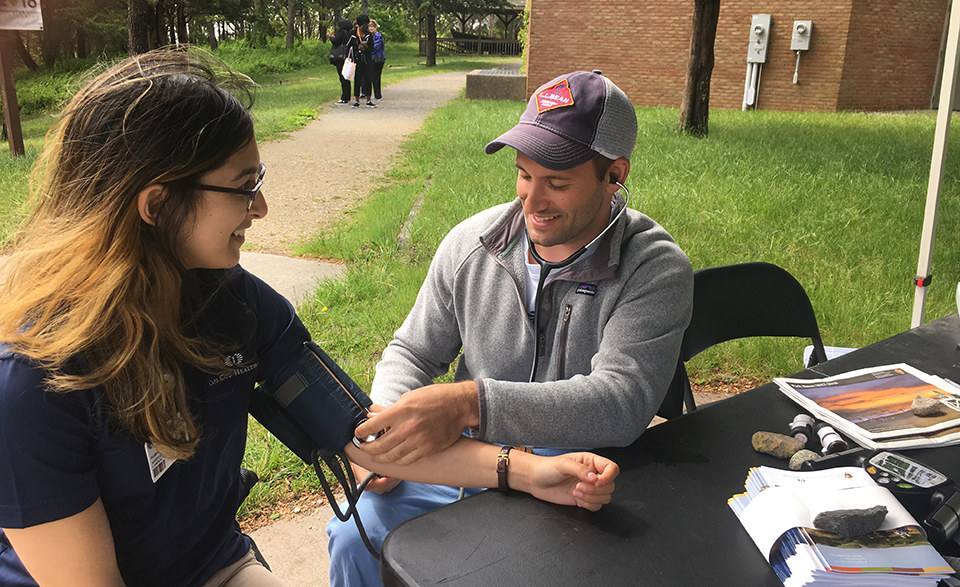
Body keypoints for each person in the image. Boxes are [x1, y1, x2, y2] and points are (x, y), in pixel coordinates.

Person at [0, 51, 620, 587]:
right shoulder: (33, 383)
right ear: (157, 204)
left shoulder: (237, 306)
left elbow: (367, 439)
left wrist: (531, 472)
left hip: (211, 567)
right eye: (244, 186)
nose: (262, 208)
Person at [327, 70, 694, 587]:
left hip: (573, 472)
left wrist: (470, 403)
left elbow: (623, 400)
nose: (532, 200)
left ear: (615, 174)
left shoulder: (653, 268)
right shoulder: (470, 244)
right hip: (466, 458)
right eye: (524, 174)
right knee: (353, 536)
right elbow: (412, 351)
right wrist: (388, 428)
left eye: (557, 183)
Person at [347, 15, 375, 109]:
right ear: (362, 25)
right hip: (357, 60)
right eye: (366, 24)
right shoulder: (353, 33)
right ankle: (357, 101)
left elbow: (372, 47)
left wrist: (365, 48)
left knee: (368, 79)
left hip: (367, 60)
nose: (368, 25)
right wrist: (357, 48)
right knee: (357, 80)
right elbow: (347, 46)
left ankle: (368, 100)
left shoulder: (368, 34)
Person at [327, 18, 354, 105]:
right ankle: (348, 96)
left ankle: (344, 98)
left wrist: (330, 38)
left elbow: (336, 42)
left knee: (342, 76)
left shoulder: (342, 32)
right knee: (347, 76)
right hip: (347, 55)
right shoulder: (350, 32)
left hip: (340, 57)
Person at [368, 20, 385, 101]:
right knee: (374, 77)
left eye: (372, 27)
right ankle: (376, 94)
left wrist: (367, 49)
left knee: (376, 77)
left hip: (377, 59)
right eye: (369, 27)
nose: (371, 28)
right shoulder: (371, 36)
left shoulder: (378, 36)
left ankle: (378, 95)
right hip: (373, 58)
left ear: (375, 27)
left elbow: (375, 48)